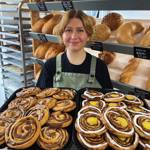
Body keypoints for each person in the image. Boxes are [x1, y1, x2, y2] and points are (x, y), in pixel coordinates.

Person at [37, 10, 113, 90]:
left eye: (80, 30)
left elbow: (109, 98)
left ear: (88, 35)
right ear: (61, 34)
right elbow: (40, 99)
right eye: (68, 30)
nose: (74, 36)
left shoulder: (100, 67)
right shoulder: (50, 66)